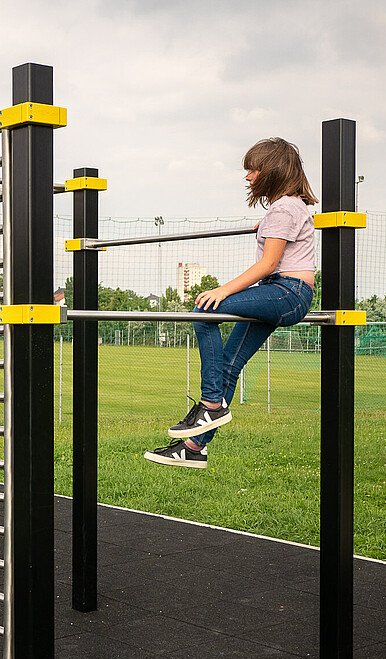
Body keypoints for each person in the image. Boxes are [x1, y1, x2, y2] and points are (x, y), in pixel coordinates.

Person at [145, 137, 317, 469]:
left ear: (272, 171)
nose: (249, 177)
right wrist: (267, 224)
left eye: (253, 169)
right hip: (282, 293)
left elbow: (268, 265)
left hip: (286, 292)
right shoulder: (289, 207)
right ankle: (194, 448)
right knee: (229, 363)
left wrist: (222, 291)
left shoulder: (284, 209)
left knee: (205, 310)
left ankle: (211, 404)